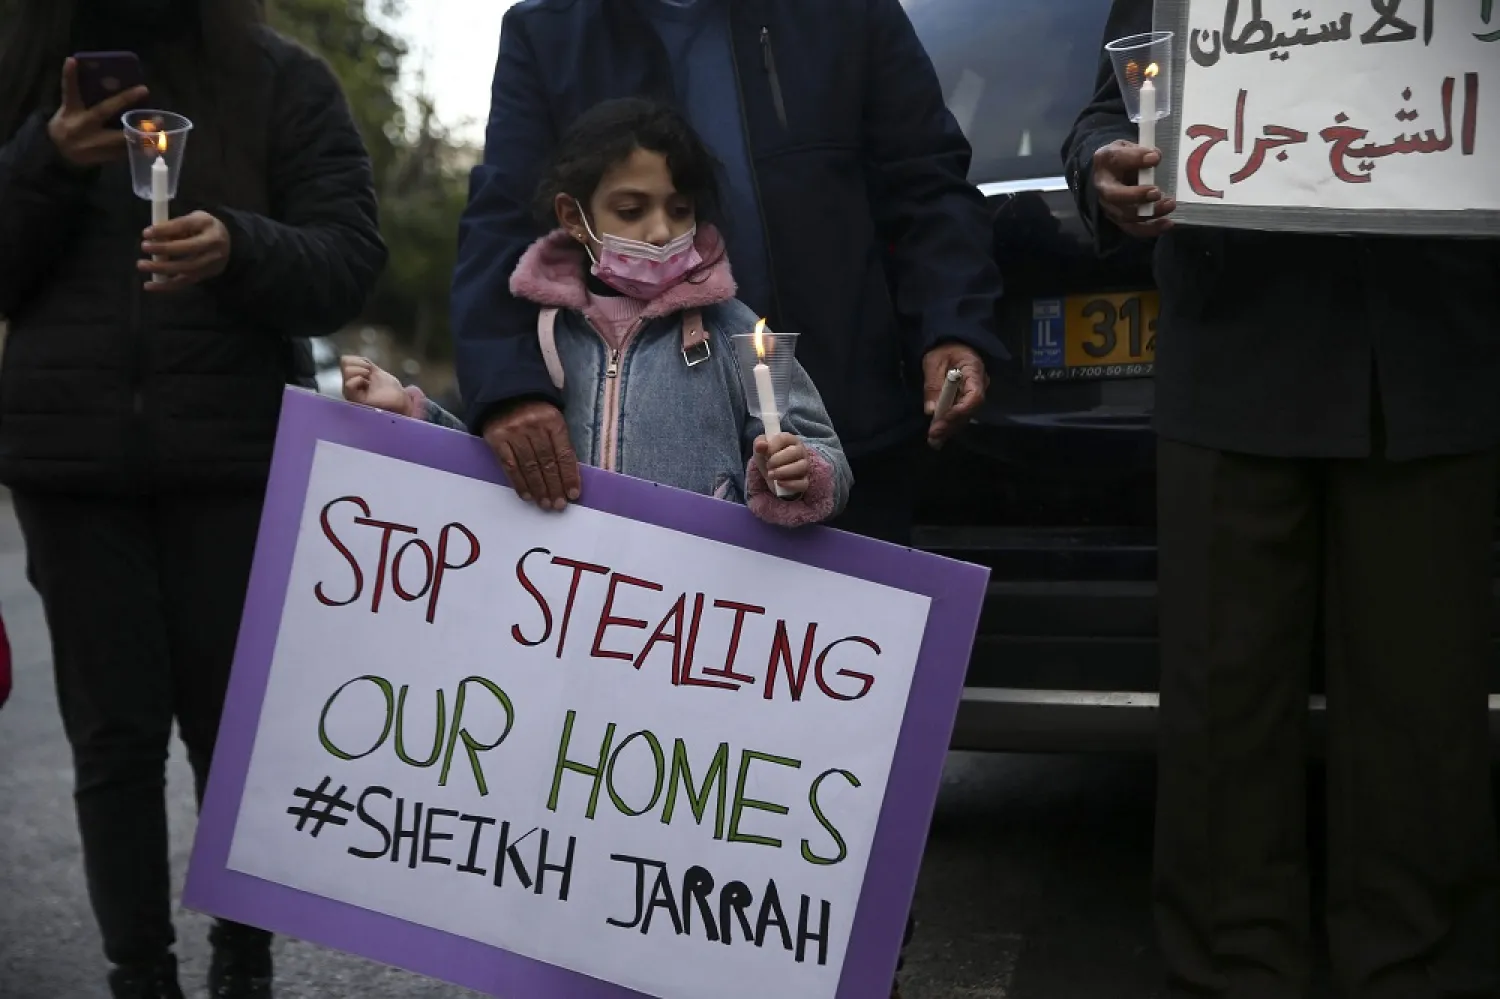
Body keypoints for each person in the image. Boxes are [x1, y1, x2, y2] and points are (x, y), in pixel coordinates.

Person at [1064, 3, 1500, 997]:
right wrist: (1105, 171)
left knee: (1423, 717)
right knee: (1223, 710)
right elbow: (1107, 111)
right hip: (1235, 372)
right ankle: (1232, 973)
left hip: (1433, 372)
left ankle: (1412, 971)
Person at [0, 0, 386, 996]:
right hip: (71, 466)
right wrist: (47, 157)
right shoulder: (26, 67)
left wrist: (239, 248)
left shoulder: (280, 81)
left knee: (235, 729)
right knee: (113, 736)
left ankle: (242, 961)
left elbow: (348, 261)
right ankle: (141, 975)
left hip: (234, 464)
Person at [450, 0, 1005, 547]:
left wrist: (952, 325)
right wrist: (508, 390)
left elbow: (926, 185)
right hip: (636, 482)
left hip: (852, 438)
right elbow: (502, 221)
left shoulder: (849, 14)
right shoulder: (549, 34)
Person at [346, 98, 851, 531]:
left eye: (679, 209)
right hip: (565, 613)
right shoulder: (532, 338)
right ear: (574, 217)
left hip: (693, 618)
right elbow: (494, 462)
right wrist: (410, 415)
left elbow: (822, 452)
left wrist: (802, 472)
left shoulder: (743, 328)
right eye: (632, 210)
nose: (660, 231)